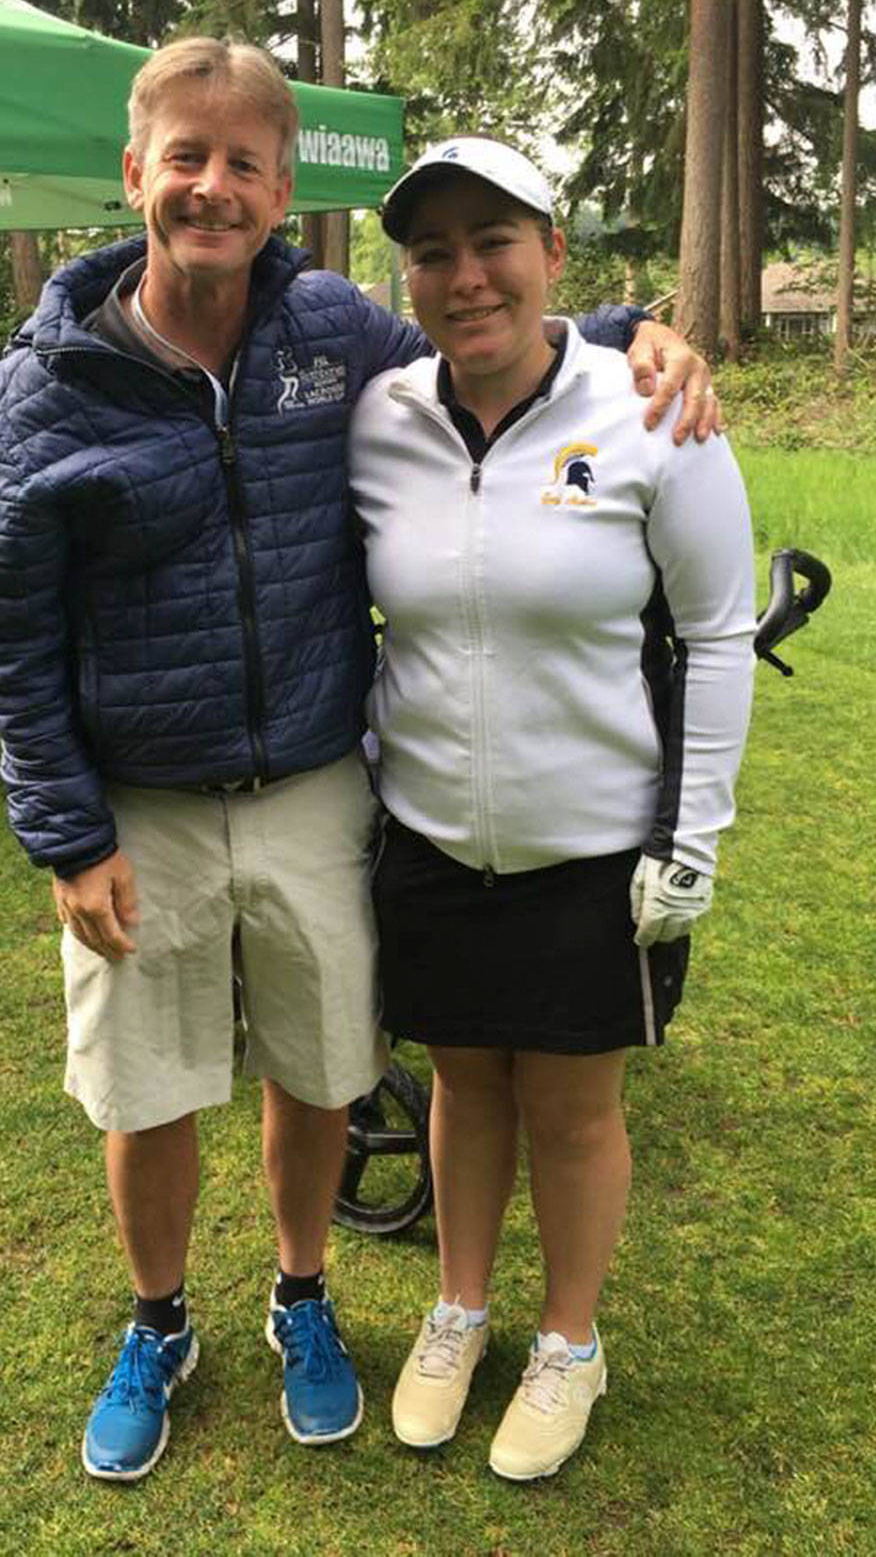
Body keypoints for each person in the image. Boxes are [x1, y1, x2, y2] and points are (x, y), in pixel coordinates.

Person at [0, 39, 719, 1484]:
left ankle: (302, 1294)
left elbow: (487, 332)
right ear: (134, 171)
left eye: (244, 163)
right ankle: (159, 1321)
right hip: (141, 803)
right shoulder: (26, 399)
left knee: (314, 1069)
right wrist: (66, 831)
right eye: (187, 157)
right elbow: (3, 629)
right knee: (147, 1089)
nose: (213, 188)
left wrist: (644, 334)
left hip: (314, 782)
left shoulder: (330, 334)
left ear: (283, 189)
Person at [349, 137, 756, 1482]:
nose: (466, 276)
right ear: (408, 278)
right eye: (434, 252)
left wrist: (693, 837)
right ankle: (459, 1312)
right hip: (428, 836)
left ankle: (570, 1342)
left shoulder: (650, 415)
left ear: (553, 255)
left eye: (494, 243)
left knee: (574, 1112)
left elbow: (717, 635)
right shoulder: (380, 414)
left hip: (594, 848)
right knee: (466, 1085)